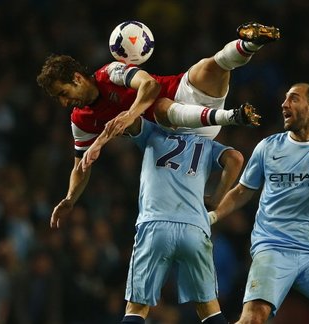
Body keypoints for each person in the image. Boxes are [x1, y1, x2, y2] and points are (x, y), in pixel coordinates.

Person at [36, 22, 279, 228]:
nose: (64, 102)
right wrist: (70, 197)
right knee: (160, 107)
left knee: (211, 66)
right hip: (173, 125)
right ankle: (232, 116)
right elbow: (81, 164)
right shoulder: (81, 119)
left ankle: (250, 43)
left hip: (186, 97)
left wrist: (130, 115)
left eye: (63, 93)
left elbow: (149, 85)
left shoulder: (110, 73)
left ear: (77, 78)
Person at [209, 83, 309, 324]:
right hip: (272, 248)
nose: (284, 104)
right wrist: (213, 217)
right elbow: (242, 190)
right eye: (284, 99)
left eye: (293, 99)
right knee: (252, 319)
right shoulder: (268, 146)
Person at [79, 99, 245, 324]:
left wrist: (109, 122)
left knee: (137, 308)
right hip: (194, 228)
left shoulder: (153, 132)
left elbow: (129, 120)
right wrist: (215, 199)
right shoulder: (204, 144)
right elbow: (236, 159)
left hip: (155, 224)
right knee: (209, 309)